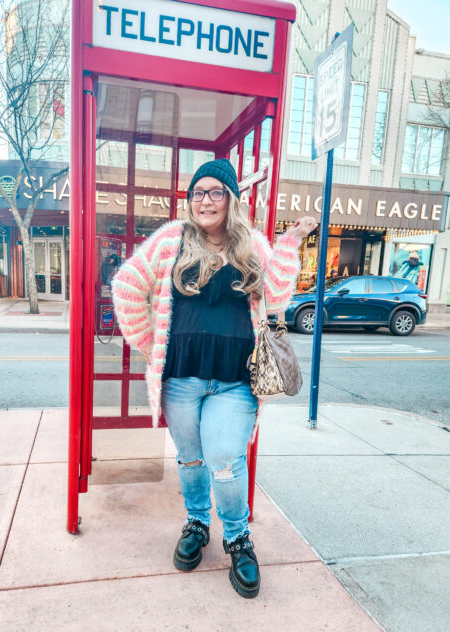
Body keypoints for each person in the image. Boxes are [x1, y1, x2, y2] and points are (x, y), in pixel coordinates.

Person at [112, 159, 316, 599]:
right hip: (182, 379)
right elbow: (127, 283)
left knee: (224, 457)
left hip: (235, 380)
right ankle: (198, 522)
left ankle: (238, 538)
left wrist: (290, 242)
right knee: (189, 459)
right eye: (198, 192)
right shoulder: (172, 240)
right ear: (190, 201)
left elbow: (279, 296)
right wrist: (148, 344)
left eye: (216, 191)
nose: (206, 200)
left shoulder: (251, 245)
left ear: (231, 199)